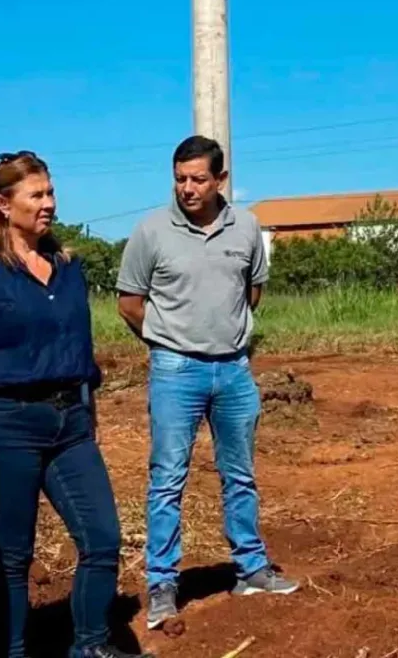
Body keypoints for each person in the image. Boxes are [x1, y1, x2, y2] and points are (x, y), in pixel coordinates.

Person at [0, 151, 152, 658]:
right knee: (14, 554)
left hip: (71, 422)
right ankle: (11, 650)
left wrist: (88, 414)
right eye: (37, 195)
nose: (49, 204)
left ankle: (90, 646)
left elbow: (80, 351)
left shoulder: (67, 266)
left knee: (102, 538)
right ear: (3, 203)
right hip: (8, 422)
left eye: (51, 192)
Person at [116, 135, 299, 630]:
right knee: (167, 481)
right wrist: (167, 342)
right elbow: (129, 303)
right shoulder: (152, 230)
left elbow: (251, 292)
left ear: (221, 180)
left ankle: (251, 568)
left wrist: (226, 338)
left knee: (239, 475)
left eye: (198, 179)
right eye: (180, 179)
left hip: (234, 370)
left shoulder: (248, 227)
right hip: (176, 370)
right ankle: (161, 584)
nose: (188, 188)